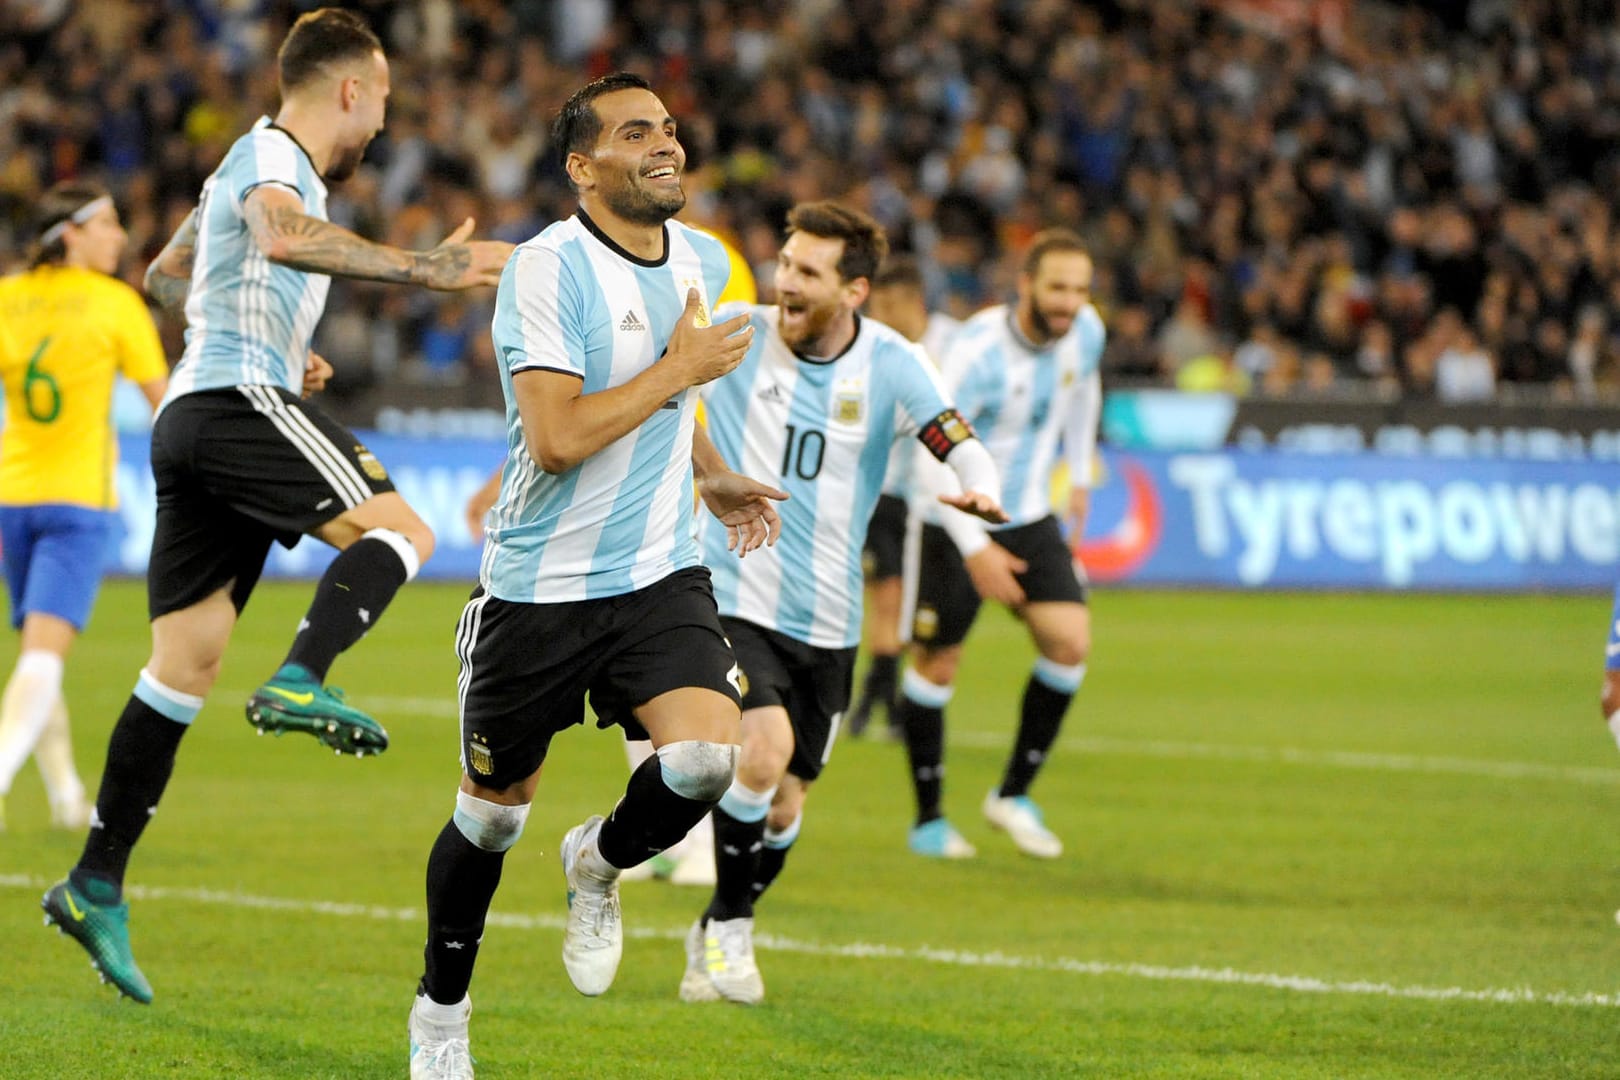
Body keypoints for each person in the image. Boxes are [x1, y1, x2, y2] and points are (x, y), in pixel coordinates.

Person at [40, 7, 512, 1005]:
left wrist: (265, 326)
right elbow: (277, 233)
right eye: (381, 99)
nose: (383, 123)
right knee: (402, 531)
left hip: (196, 413)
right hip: (231, 400)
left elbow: (171, 274)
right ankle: (303, 674)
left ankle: (95, 879)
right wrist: (421, 267)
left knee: (182, 666)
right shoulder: (277, 154)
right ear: (350, 88)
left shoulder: (239, 165)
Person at [406, 73, 785, 1078]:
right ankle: (441, 1017)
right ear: (583, 167)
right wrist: (679, 370)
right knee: (489, 819)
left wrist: (706, 475)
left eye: (667, 129)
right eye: (634, 133)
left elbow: (677, 401)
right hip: (537, 590)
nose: (665, 145)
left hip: (658, 573)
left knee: (709, 760)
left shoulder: (701, 257)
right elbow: (559, 435)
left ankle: (599, 861)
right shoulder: (548, 269)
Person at [680, 202, 1004, 1006]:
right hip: (730, 589)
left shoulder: (892, 362)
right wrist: (709, 467)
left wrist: (981, 481)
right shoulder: (737, 330)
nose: (785, 282)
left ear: (854, 290)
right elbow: (660, 393)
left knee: (786, 805)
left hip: (827, 617)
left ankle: (720, 923)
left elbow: (948, 432)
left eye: (807, 273)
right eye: (785, 263)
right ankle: (729, 927)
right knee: (759, 752)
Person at [895, 228, 1105, 860]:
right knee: (938, 664)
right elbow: (931, 453)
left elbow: (1083, 388)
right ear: (1026, 286)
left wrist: (1081, 473)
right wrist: (973, 546)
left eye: (1079, 289)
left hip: (1029, 512)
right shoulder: (976, 352)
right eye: (1057, 288)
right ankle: (928, 820)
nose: (1070, 302)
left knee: (1069, 642)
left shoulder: (1086, 331)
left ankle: (1011, 795)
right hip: (949, 514)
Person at [0, 183, 168, 832]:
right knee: (45, 657)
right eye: (109, 223)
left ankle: (68, 793)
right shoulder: (116, 304)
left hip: (13, 498)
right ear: (70, 232)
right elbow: (166, 404)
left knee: (37, 655)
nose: (121, 236)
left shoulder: (9, 297)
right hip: (77, 503)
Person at [846, 256, 960, 739]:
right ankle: (883, 691)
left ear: (915, 303)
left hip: (936, 501)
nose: (881, 317)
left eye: (890, 306)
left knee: (922, 604)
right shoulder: (872, 349)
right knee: (886, 592)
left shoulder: (954, 346)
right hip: (885, 493)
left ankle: (887, 692)